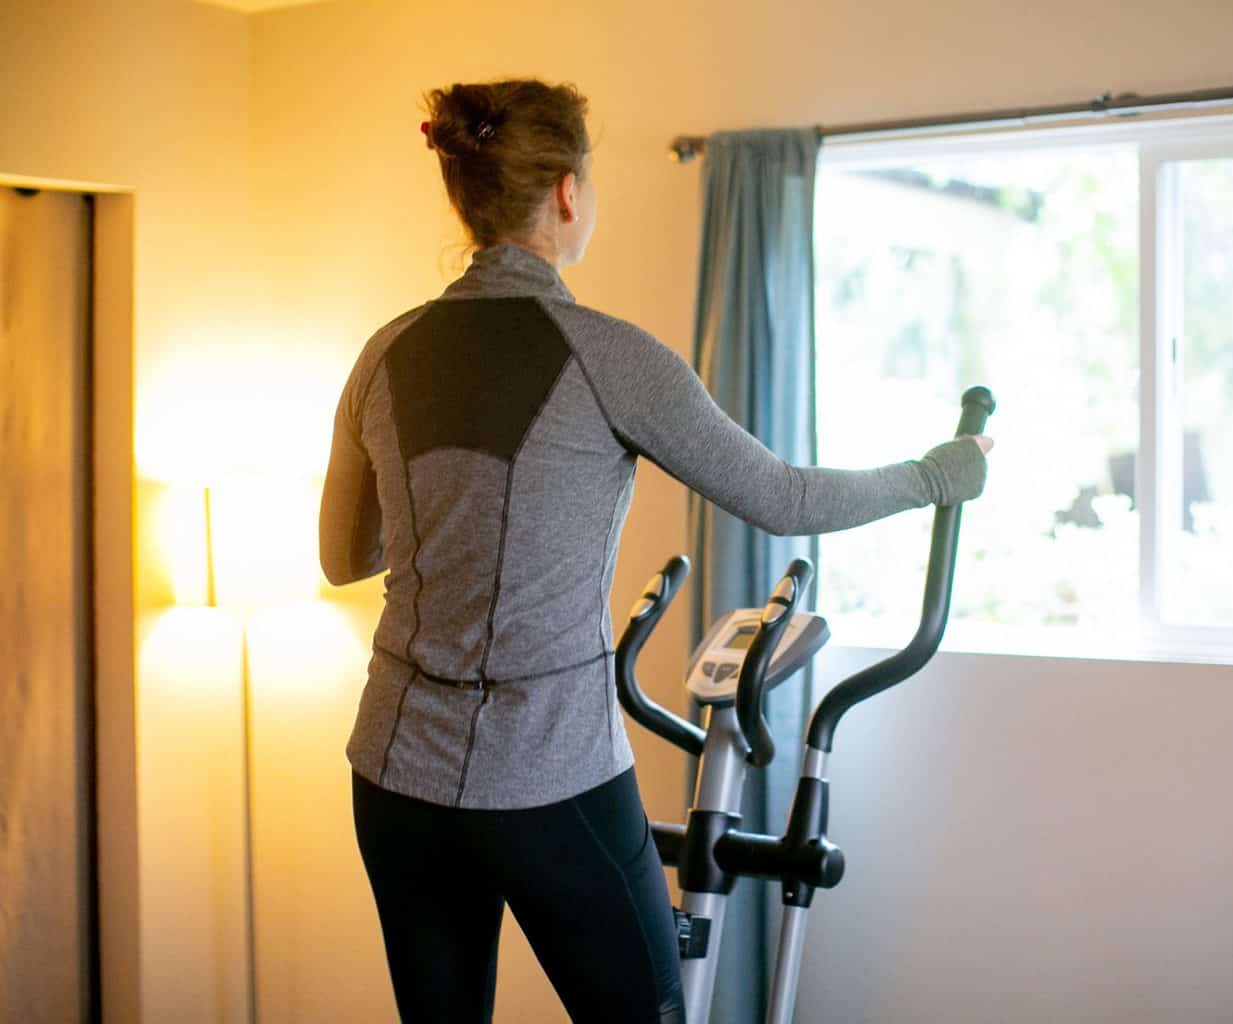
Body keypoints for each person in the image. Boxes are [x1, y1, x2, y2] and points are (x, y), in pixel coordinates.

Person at [318, 77, 992, 1024]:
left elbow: (345, 556)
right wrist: (938, 474)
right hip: (550, 777)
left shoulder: (383, 354)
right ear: (565, 193)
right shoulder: (608, 355)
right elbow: (780, 496)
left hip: (394, 777)